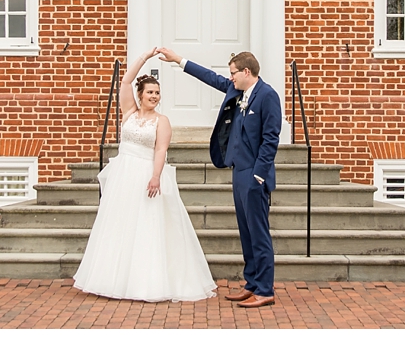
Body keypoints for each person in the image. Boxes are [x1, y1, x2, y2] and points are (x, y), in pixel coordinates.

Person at [73, 47, 217, 302]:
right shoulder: (128, 112)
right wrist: (144, 58)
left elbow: (161, 150)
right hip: (122, 174)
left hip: (144, 173)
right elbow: (126, 80)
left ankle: (144, 282)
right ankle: (112, 279)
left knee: (145, 227)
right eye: (150, 92)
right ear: (140, 95)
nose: (154, 96)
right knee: (118, 224)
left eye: (157, 93)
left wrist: (155, 176)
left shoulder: (162, 121)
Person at [156, 48, 281, 309]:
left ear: (247, 72)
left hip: (255, 175)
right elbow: (211, 78)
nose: (230, 78)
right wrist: (179, 61)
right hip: (238, 171)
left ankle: (265, 289)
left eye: (234, 73)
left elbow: (271, 138)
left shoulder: (267, 96)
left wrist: (259, 175)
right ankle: (252, 283)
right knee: (245, 233)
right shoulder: (238, 90)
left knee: (259, 234)